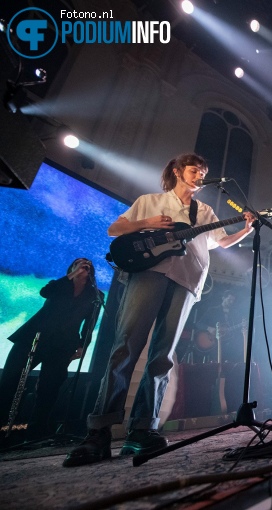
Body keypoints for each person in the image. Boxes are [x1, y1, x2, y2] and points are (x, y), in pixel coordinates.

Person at [63, 153, 256, 467]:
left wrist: (246, 228)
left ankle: (143, 429)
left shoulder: (205, 211)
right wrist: (149, 223)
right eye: (195, 170)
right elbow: (115, 228)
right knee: (126, 346)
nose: (200, 175)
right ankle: (98, 433)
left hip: (188, 280)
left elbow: (220, 243)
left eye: (204, 171)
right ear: (178, 171)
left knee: (163, 355)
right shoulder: (151, 200)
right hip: (150, 274)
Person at [0, 258, 103, 439]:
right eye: (78, 263)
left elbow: (89, 325)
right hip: (33, 337)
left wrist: (82, 346)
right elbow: (44, 292)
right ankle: (5, 425)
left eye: (86, 264)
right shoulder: (59, 285)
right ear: (71, 267)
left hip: (63, 345)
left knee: (50, 387)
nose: (83, 265)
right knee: (10, 378)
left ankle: (37, 430)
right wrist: (71, 275)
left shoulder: (95, 296)